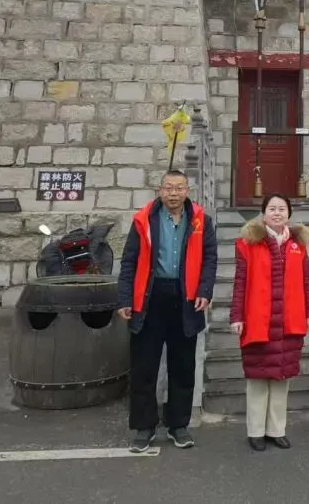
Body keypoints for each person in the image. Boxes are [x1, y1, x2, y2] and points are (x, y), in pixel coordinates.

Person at [117, 170, 217, 453]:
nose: (174, 193)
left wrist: (205, 290)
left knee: (183, 366)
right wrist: (124, 298)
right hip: (149, 298)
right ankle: (144, 426)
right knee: (144, 366)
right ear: (160, 190)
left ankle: (178, 424)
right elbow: (129, 261)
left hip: (185, 299)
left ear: (187, 191)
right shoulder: (144, 219)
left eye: (179, 188)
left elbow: (210, 258)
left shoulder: (200, 220)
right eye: (169, 188)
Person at [229, 193, 309, 451]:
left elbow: (306, 282)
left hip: (289, 321)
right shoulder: (249, 243)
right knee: (257, 379)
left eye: (282, 209)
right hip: (258, 320)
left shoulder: (298, 245)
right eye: (272, 208)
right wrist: (236, 316)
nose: (277, 213)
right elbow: (240, 283)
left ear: (288, 213)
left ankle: (276, 430)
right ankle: (256, 431)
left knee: (281, 378)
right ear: (264, 213)